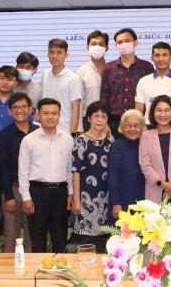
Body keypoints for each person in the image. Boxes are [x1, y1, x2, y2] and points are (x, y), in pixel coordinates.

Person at [19, 98, 74, 253]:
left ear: (59, 115)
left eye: (54, 113)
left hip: (60, 193)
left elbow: (70, 168)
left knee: (60, 237)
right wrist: (26, 198)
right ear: (38, 115)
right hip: (38, 192)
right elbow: (23, 171)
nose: (50, 117)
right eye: (46, 113)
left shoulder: (68, 139)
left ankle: (59, 273)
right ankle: (38, 275)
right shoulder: (28, 140)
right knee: (38, 238)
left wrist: (70, 194)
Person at [71, 102, 115, 253]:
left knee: (105, 241)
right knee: (86, 243)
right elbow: (75, 171)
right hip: (86, 198)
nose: (100, 119)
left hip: (107, 198)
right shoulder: (81, 141)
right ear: (88, 118)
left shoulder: (110, 141)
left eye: (103, 116)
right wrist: (76, 198)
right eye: (96, 116)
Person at [0, 93, 37, 253]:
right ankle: (8, 274)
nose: (20, 110)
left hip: (35, 189)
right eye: (15, 107)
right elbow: (2, 167)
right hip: (13, 189)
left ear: (31, 109)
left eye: (23, 106)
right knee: (11, 235)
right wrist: (9, 197)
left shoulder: (38, 132)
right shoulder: (4, 135)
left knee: (32, 235)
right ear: (9, 112)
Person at [100, 28, 153, 139]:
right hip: (114, 124)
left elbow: (150, 98)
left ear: (135, 43)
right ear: (116, 45)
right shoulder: (109, 68)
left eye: (127, 41)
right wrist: (104, 123)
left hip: (139, 124)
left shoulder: (146, 67)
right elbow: (104, 99)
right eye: (120, 42)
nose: (123, 45)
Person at [135, 42, 171, 126]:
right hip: (150, 128)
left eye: (165, 55)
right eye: (157, 55)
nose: (161, 59)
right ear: (152, 58)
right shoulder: (143, 81)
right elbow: (138, 111)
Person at [0, 52, 43, 119]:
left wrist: (32, 111)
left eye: (28, 67)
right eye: (21, 66)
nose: (24, 70)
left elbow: (41, 117)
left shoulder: (39, 90)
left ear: (35, 71)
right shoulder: (5, 86)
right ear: (16, 67)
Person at [108, 109, 146, 221]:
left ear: (142, 127)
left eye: (136, 125)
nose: (132, 129)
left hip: (144, 201)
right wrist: (116, 203)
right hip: (122, 201)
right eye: (128, 125)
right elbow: (112, 177)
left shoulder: (147, 145)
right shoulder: (116, 147)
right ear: (122, 127)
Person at [39, 39, 82, 136]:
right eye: (51, 52)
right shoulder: (45, 74)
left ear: (66, 55)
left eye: (59, 52)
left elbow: (76, 108)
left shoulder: (73, 78)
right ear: (47, 54)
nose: (55, 56)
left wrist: (73, 133)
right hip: (44, 130)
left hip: (64, 131)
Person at [76, 30, 109, 133]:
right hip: (88, 122)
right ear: (87, 48)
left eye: (101, 44)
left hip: (110, 122)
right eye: (93, 44)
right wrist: (79, 129)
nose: (97, 47)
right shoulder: (81, 72)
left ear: (106, 48)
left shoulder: (113, 70)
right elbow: (78, 103)